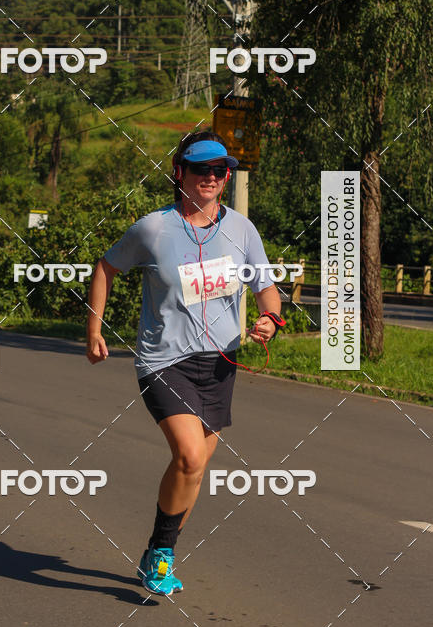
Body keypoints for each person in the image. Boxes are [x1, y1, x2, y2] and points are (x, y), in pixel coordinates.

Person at [86, 131, 285, 596]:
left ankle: (159, 550)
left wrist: (269, 319)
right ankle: (160, 555)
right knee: (190, 456)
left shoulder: (241, 229)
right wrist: (95, 330)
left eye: (220, 170)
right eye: (202, 169)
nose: (212, 178)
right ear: (180, 173)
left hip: (219, 363)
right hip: (163, 360)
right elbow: (105, 267)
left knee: (193, 469)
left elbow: (266, 287)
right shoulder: (152, 229)